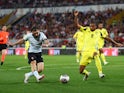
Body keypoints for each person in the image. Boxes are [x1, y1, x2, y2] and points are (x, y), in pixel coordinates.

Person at [74, 11, 123, 80]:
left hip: (93, 50)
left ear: (95, 26)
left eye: (93, 26)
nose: (91, 27)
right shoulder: (86, 29)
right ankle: (87, 73)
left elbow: (107, 38)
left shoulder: (99, 32)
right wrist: (76, 16)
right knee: (81, 71)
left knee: (96, 55)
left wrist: (116, 43)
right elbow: (77, 25)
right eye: (90, 25)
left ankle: (100, 73)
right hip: (84, 52)